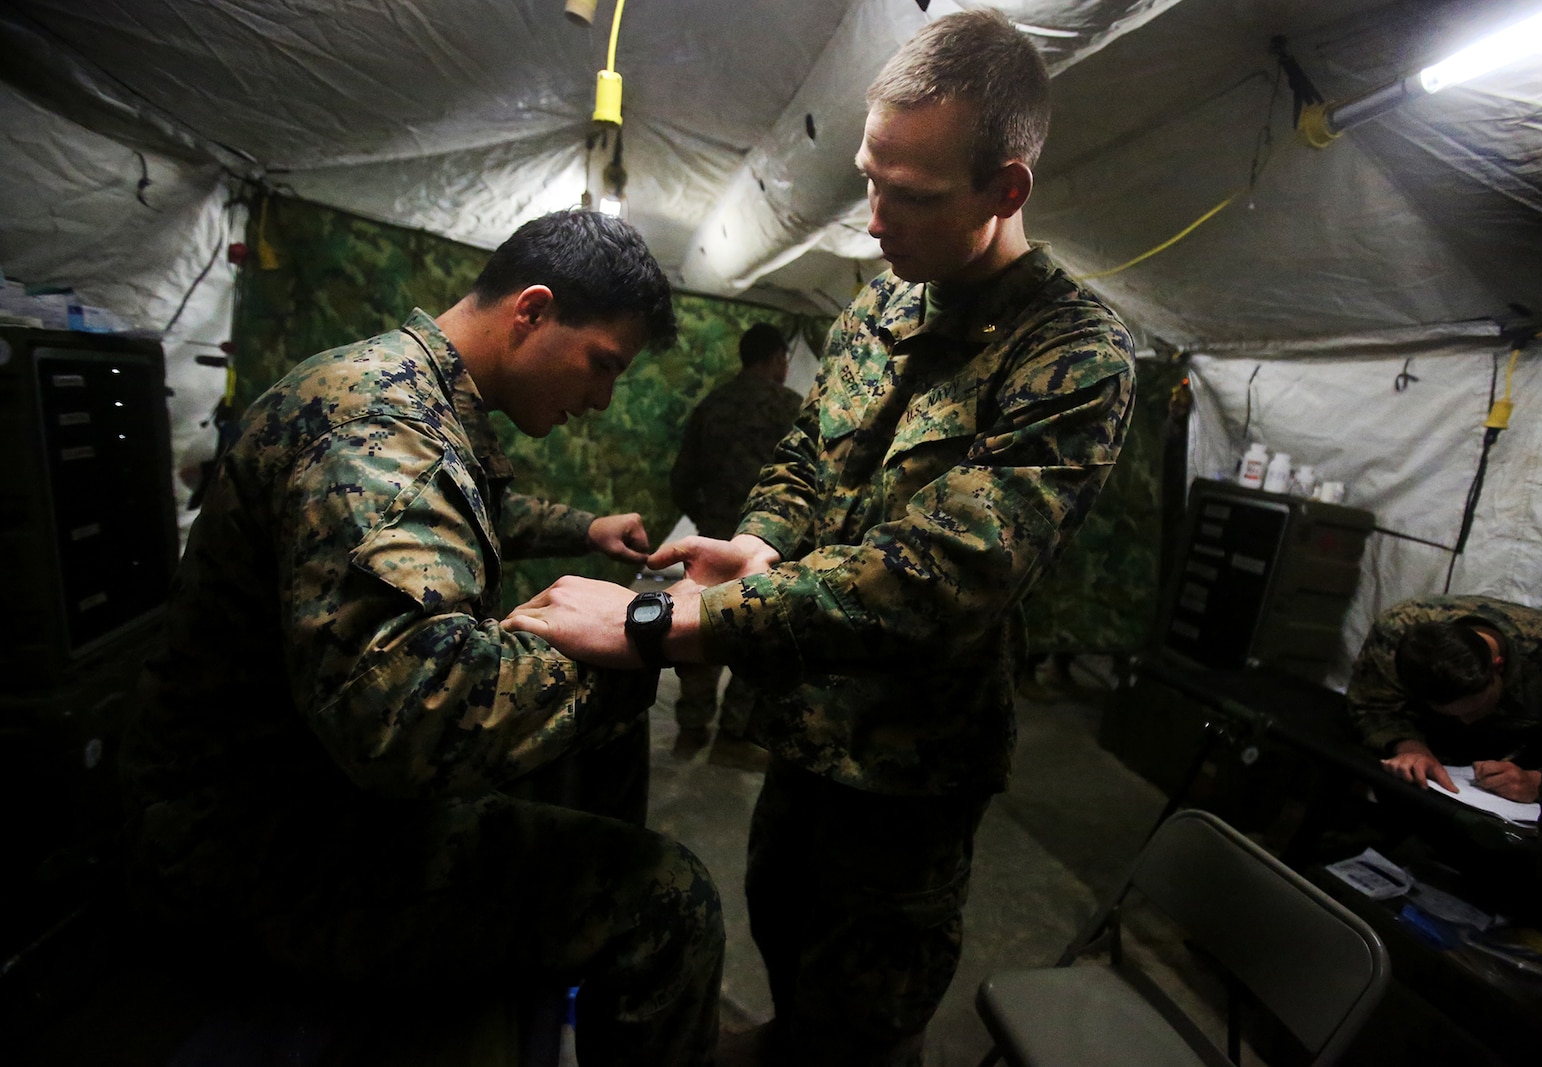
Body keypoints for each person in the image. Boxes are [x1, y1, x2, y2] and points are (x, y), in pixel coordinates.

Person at [503, 11, 1137, 1064]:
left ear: (1004, 190)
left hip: (908, 773)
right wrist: (755, 539)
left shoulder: (1074, 357)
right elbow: (807, 453)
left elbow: (940, 571)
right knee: (786, 939)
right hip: (800, 726)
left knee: (864, 1015)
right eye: (867, 179)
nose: (872, 221)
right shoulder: (882, 304)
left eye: (912, 197)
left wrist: (668, 620)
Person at [120, 209, 723, 1067]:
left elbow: (466, 505)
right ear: (532, 311)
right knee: (669, 901)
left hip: (278, 781)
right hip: (248, 842)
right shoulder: (378, 432)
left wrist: (586, 528)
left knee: (595, 746)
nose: (600, 401)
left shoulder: (407, 389)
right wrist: (657, 640)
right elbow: (410, 726)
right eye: (603, 366)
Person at [668, 322, 801, 749]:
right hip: (770, 549)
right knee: (757, 634)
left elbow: (682, 479)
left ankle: (691, 727)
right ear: (776, 358)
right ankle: (735, 734)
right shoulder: (793, 408)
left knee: (703, 631)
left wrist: (709, 517)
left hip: (714, 541)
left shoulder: (713, 405)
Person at [1346, 594, 1542, 802]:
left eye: (1477, 709)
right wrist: (1412, 749)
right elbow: (1373, 704)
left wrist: (1541, 783)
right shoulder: (1399, 634)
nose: (1466, 721)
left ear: (1498, 667)